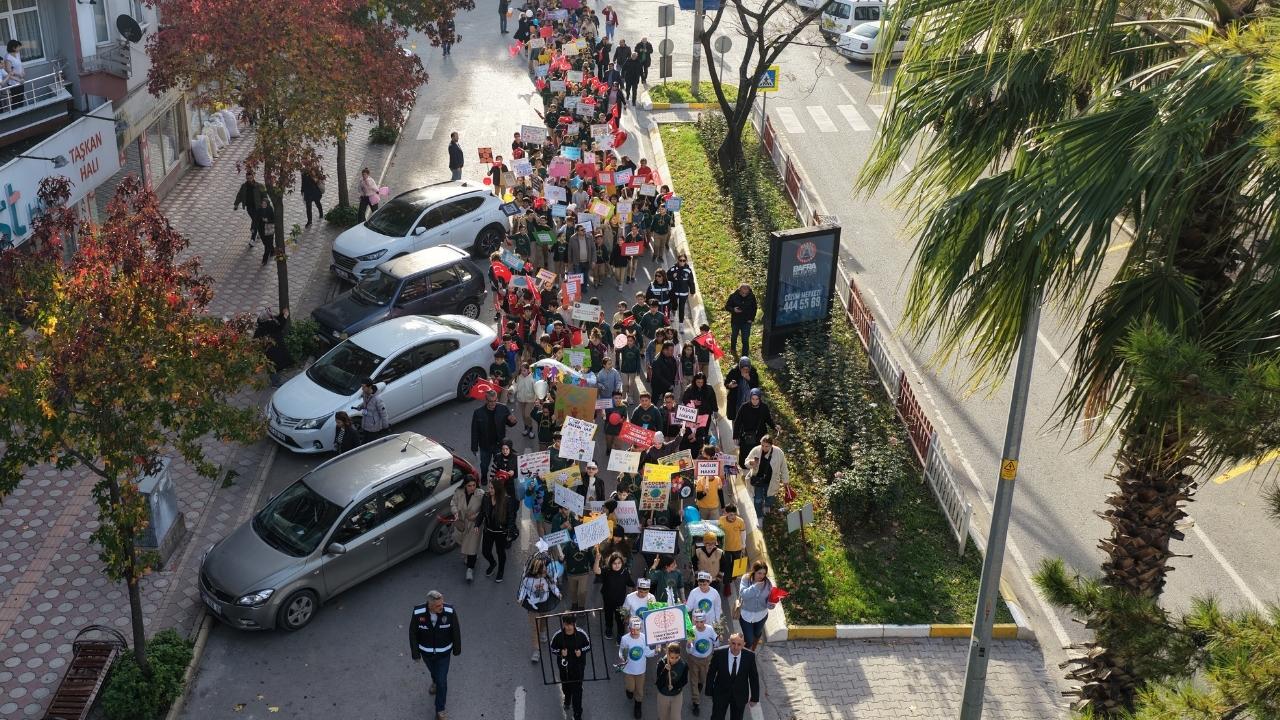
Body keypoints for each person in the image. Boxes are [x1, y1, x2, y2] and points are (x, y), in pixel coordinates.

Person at [409, 589, 462, 720]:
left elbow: (455, 631)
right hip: (427, 653)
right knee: (434, 673)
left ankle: (440, 710)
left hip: (444, 654)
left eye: (442, 604)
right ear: (430, 605)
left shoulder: (449, 612)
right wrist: (415, 654)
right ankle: (434, 681)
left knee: (442, 681)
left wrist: (457, 649)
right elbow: (413, 634)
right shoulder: (418, 613)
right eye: (438, 606)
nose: (441, 607)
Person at [704, 633, 760, 720]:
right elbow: (711, 673)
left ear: (744, 644)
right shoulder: (719, 653)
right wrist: (709, 691)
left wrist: (755, 698)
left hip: (740, 695)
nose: (736, 647)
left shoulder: (750, 656)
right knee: (717, 717)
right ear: (729, 642)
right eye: (733, 643)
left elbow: (754, 678)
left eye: (739, 644)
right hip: (720, 694)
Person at [518, 555, 562, 663]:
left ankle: (543, 631)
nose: (546, 570)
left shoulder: (547, 577)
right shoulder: (528, 579)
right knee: (534, 628)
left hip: (545, 604)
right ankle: (536, 650)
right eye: (543, 569)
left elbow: (553, 587)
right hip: (533, 606)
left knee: (544, 620)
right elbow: (523, 588)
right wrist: (520, 598)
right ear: (536, 570)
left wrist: (558, 593)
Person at [550, 614, 592, 720]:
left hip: (578, 668)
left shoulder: (581, 634)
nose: (568, 627)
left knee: (577, 691)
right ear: (563, 624)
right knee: (566, 687)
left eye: (570, 624)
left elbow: (588, 645)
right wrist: (560, 652)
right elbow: (552, 648)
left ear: (574, 624)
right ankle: (567, 700)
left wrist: (581, 651)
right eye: (566, 624)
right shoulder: (558, 635)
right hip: (564, 668)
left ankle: (577, 714)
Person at [471, 390, 518, 482]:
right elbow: (474, 431)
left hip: (499, 445)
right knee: (484, 465)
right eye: (490, 401)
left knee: (500, 465)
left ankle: (498, 480)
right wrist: (474, 447)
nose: (493, 403)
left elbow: (510, 423)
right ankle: (484, 476)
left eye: (494, 400)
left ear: (496, 399)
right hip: (485, 446)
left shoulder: (503, 408)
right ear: (486, 400)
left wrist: (513, 421)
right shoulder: (478, 412)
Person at [744, 435, 788, 527]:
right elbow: (746, 461)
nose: (764, 448)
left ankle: (767, 505)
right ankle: (759, 517)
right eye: (762, 445)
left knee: (770, 496)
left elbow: (783, 467)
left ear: (771, 445)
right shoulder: (756, 450)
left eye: (766, 446)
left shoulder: (778, 452)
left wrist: (785, 480)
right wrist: (751, 463)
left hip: (771, 480)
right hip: (758, 481)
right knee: (757, 500)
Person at [479, 476, 516, 581]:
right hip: (488, 531)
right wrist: (477, 524)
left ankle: (501, 570)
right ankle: (492, 563)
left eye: (492, 488)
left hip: (501, 532)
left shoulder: (507, 500)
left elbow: (511, 518)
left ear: (498, 489)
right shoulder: (486, 497)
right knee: (485, 552)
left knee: (500, 553)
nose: (489, 490)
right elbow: (482, 512)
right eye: (489, 487)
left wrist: (509, 532)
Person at [618, 617, 656, 718]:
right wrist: (622, 658)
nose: (635, 632)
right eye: (632, 629)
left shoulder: (644, 638)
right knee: (630, 687)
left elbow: (648, 653)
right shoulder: (625, 639)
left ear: (640, 629)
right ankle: (629, 691)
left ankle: (638, 706)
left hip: (640, 670)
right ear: (629, 628)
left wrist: (655, 651)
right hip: (628, 670)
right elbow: (622, 651)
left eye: (637, 629)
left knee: (639, 690)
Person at [686, 611, 720, 716]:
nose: (699, 624)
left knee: (703, 678)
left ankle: (700, 683)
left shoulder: (710, 629)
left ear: (705, 621)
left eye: (701, 621)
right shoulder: (691, 631)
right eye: (697, 622)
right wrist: (689, 645)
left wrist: (718, 640)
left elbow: (716, 641)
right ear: (694, 621)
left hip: (706, 659)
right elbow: (689, 651)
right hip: (694, 660)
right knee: (693, 681)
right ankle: (696, 702)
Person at [737, 563, 776, 651]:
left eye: (764, 573)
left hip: (761, 615)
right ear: (754, 572)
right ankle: (746, 652)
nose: (761, 576)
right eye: (759, 573)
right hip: (746, 615)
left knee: (757, 634)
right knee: (749, 640)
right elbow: (743, 595)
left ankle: (753, 650)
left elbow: (768, 601)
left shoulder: (768, 584)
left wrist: (771, 605)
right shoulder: (746, 579)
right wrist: (755, 587)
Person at [732, 389, 775, 466]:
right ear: (750, 398)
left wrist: (775, 427)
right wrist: (735, 436)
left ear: (759, 398)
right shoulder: (744, 407)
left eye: (757, 399)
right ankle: (745, 469)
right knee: (745, 454)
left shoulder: (764, 407)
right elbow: (737, 422)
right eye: (753, 399)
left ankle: (758, 469)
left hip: (760, 436)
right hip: (747, 436)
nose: (754, 401)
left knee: (758, 453)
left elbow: (768, 420)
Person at [452, 476, 483, 581]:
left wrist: (476, 515)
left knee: (472, 547)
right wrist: (455, 512)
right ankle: (466, 554)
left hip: (474, 525)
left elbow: (485, 509)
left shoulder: (480, 494)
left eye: (474, 485)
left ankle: (470, 569)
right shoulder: (459, 492)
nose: (472, 488)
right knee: (459, 539)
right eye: (469, 485)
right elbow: (453, 503)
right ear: (465, 485)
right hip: (461, 522)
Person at [252, 307, 291, 387]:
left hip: (268, 351)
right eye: (270, 315)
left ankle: (275, 380)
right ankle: (275, 383)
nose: (272, 316)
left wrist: (282, 315)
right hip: (274, 349)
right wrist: (285, 316)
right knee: (275, 366)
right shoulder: (271, 325)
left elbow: (254, 340)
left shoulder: (261, 326)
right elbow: (279, 326)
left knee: (272, 366)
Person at [655, 642, 689, 720]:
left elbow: (684, 680)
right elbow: (659, 683)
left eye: (676, 657)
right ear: (667, 654)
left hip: (676, 695)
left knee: (675, 717)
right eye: (672, 657)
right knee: (663, 717)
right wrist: (665, 671)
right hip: (664, 694)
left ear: (680, 655)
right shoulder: (662, 663)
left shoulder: (683, 665)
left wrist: (674, 687)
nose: (674, 660)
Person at [717, 506, 747, 597]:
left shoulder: (740, 521)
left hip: (737, 548)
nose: (732, 517)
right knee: (727, 566)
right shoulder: (721, 520)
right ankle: (727, 584)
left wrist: (743, 545)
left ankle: (732, 577)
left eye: (734, 514)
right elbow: (719, 532)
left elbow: (743, 533)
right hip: (725, 548)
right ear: (725, 513)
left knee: (736, 565)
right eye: (730, 514)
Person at [723, 284, 758, 358]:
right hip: (736, 321)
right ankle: (733, 349)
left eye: (746, 293)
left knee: (745, 339)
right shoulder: (733, 296)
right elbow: (727, 306)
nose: (744, 295)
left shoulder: (752, 297)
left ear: (749, 291)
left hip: (746, 322)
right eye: (742, 293)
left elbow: (754, 308)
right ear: (739, 291)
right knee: (734, 336)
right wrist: (733, 310)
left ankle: (745, 356)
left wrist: (751, 319)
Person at [233, 170, 267, 244]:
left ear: (253, 177)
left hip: (258, 208)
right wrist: (236, 204)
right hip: (250, 208)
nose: (249, 180)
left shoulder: (259, 186)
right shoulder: (244, 186)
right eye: (247, 178)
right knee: (256, 221)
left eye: (250, 178)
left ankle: (252, 239)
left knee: (255, 221)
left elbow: (265, 196)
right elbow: (239, 195)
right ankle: (259, 231)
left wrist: (264, 205)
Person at [724, 359, 759, 424]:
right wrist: (730, 385)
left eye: (747, 369)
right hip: (736, 402)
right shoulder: (734, 371)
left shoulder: (753, 372)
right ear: (740, 368)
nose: (745, 371)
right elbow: (726, 383)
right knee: (736, 421)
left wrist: (749, 379)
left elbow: (756, 386)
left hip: (748, 401)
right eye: (743, 369)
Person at [668, 254, 696, 326]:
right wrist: (672, 277)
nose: (682, 262)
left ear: (686, 261)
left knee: (682, 308)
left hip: (684, 292)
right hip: (674, 292)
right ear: (678, 260)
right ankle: (673, 312)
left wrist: (692, 291)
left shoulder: (688, 271)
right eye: (681, 260)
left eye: (684, 260)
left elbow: (691, 281)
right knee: (674, 304)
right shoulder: (672, 269)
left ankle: (681, 324)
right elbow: (667, 278)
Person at [255, 197, 276, 266]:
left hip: (269, 228)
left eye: (265, 204)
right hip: (262, 230)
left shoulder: (270, 209)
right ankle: (272, 250)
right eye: (263, 204)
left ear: (267, 204)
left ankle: (264, 259)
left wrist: (268, 220)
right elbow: (256, 220)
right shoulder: (259, 210)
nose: (264, 205)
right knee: (266, 243)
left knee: (267, 245)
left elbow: (273, 220)